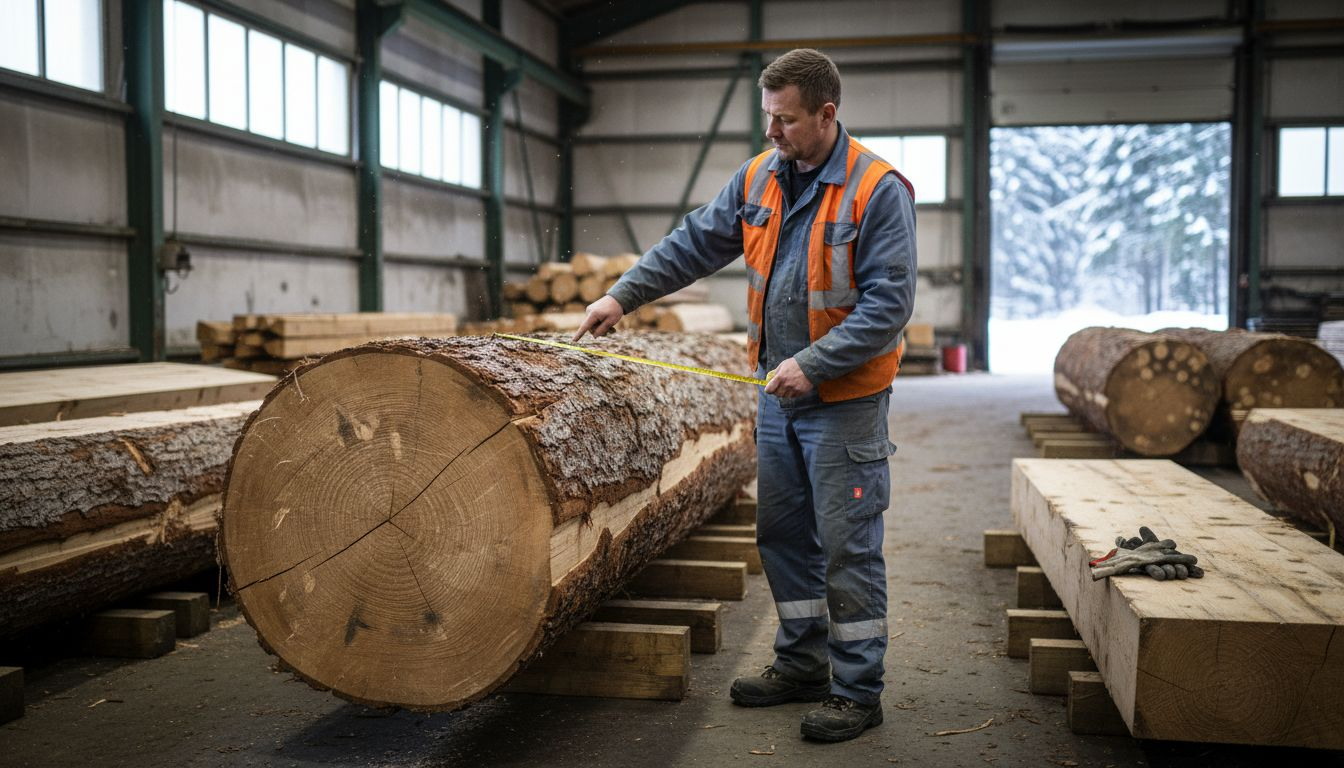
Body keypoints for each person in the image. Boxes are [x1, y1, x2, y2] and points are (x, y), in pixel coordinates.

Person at [573, 48, 916, 743]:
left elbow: (889, 305)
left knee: (848, 546)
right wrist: (622, 295)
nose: (771, 134)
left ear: (827, 114)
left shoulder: (877, 190)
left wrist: (814, 365)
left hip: (842, 403)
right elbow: (694, 242)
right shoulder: (761, 176)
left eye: (785, 121)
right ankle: (802, 665)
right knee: (783, 535)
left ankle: (857, 690)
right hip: (777, 398)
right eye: (767, 117)